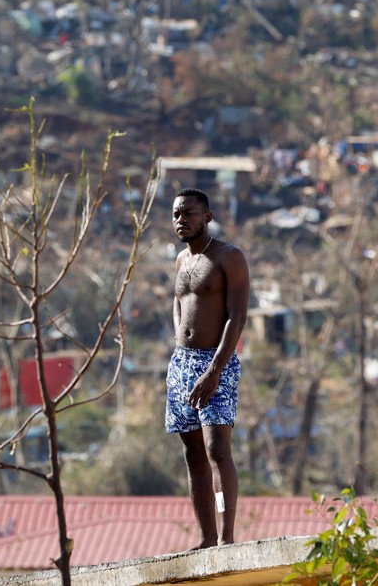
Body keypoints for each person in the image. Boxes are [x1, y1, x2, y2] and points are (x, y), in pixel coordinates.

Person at [166, 187, 250, 548]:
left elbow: (238, 315)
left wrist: (215, 368)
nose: (181, 220)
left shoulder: (229, 257)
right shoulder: (181, 261)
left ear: (207, 217)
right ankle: (205, 537)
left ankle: (226, 538)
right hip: (182, 364)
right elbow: (178, 302)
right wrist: (178, 345)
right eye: (175, 215)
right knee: (192, 453)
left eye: (187, 213)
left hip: (217, 362)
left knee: (216, 448)